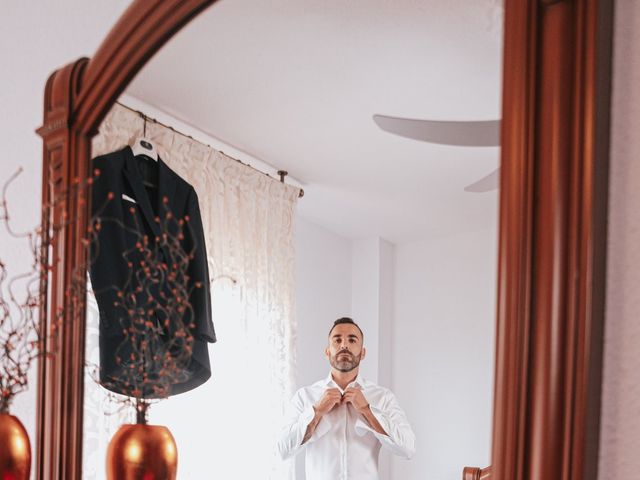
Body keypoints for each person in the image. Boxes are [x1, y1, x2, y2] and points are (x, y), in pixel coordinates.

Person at [278, 317, 415, 479]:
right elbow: (283, 449)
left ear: (362, 352)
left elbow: (407, 448)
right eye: (337, 340)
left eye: (352, 340)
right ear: (327, 351)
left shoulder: (382, 397)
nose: (344, 345)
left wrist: (367, 410)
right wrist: (316, 411)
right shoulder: (305, 396)